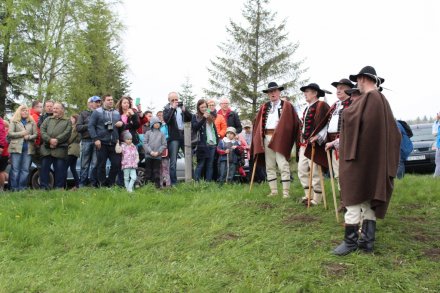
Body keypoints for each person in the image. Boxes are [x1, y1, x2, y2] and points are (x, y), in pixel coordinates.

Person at [333, 66, 401, 256]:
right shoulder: (380, 100)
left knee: (354, 198)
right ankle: (366, 243)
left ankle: (351, 242)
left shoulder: (372, 99)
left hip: (362, 161)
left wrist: (346, 113)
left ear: (363, 79)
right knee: (368, 200)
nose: (357, 85)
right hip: (371, 161)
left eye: (358, 81)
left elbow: (356, 121)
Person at [307, 79, 354, 207]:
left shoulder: (353, 104)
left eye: (342, 88)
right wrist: (319, 136)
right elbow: (327, 126)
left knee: (348, 174)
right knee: (338, 174)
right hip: (333, 144)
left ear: (349, 89)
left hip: (348, 143)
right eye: (337, 88)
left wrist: (336, 141)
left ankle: (351, 201)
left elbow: (352, 128)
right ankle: (344, 202)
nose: (338, 90)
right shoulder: (335, 105)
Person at [251, 82, 300, 198]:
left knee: (283, 164)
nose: (272, 93)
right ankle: (273, 191)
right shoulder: (264, 107)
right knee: (270, 165)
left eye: (274, 91)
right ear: (268, 94)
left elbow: (294, 122)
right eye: (270, 92)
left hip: (280, 138)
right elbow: (257, 123)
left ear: (279, 92)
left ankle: (286, 192)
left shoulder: (286, 106)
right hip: (266, 137)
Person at [297, 83, 330, 204]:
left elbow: (327, 124)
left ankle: (317, 198)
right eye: (304, 92)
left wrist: (318, 136)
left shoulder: (322, 105)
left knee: (315, 171)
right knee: (301, 170)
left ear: (315, 93)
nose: (305, 94)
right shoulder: (306, 108)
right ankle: (308, 195)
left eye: (308, 91)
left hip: (315, 144)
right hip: (304, 144)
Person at [88, 94, 124, 187]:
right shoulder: (97, 112)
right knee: (101, 165)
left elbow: (121, 128)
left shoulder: (116, 113)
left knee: (116, 164)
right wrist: (95, 139)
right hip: (102, 143)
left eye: (112, 100)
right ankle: (102, 185)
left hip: (114, 143)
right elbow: (91, 126)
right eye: (108, 100)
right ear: (104, 101)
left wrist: (122, 124)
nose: (111, 101)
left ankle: (110, 183)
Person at [40, 102, 72, 189]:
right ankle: (43, 188)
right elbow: (42, 130)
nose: (54, 110)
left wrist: (56, 141)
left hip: (60, 150)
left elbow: (67, 133)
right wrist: (49, 140)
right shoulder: (48, 119)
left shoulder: (67, 121)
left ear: (62, 110)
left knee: (60, 170)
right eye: (54, 108)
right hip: (47, 149)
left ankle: (59, 188)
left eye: (57, 108)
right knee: (44, 170)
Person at [163, 92, 192, 186]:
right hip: (173, 137)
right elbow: (167, 120)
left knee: (188, 158)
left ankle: (191, 180)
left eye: (176, 99)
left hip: (184, 135)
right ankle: (174, 183)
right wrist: (172, 109)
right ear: (169, 101)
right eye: (173, 100)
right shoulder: (166, 109)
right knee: (173, 161)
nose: (175, 101)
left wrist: (185, 111)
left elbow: (189, 118)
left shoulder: (181, 108)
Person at [8, 105, 38, 191]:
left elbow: (36, 135)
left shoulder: (32, 122)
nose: (25, 112)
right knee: (15, 169)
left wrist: (29, 137)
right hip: (16, 148)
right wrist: (22, 133)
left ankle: (22, 188)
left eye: (26, 111)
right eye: (23, 110)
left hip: (28, 149)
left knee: (25, 170)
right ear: (19, 112)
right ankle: (14, 188)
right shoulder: (14, 121)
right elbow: (10, 133)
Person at [192, 99, 218, 181]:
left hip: (212, 143)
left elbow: (214, 130)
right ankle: (196, 182)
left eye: (205, 107)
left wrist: (216, 141)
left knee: (210, 165)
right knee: (201, 164)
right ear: (198, 108)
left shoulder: (210, 116)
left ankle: (208, 183)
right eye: (202, 107)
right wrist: (203, 118)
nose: (204, 108)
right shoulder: (195, 116)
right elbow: (195, 128)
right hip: (202, 144)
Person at [77, 96, 100, 187]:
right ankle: (82, 183)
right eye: (95, 102)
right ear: (89, 103)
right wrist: (89, 125)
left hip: (97, 141)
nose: (97, 104)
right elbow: (78, 127)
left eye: (99, 102)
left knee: (95, 164)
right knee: (84, 164)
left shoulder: (101, 114)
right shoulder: (83, 114)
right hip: (86, 140)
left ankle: (93, 184)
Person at [143, 117, 167, 188]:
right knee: (148, 171)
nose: (157, 125)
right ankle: (147, 186)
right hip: (148, 156)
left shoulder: (162, 134)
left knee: (156, 171)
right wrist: (150, 152)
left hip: (157, 156)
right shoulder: (148, 133)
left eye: (158, 123)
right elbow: (144, 143)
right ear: (152, 124)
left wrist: (158, 152)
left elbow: (164, 144)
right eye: (155, 123)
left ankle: (157, 186)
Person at [157, 111, 171, 187]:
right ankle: (161, 185)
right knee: (159, 169)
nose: (160, 116)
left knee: (165, 167)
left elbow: (168, 135)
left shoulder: (166, 126)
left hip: (164, 148)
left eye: (161, 115)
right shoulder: (155, 126)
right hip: (156, 150)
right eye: (158, 115)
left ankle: (168, 185)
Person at [67, 114, 80, 189]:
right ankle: (77, 185)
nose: (70, 120)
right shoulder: (73, 127)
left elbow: (70, 139)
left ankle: (63, 185)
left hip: (72, 150)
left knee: (65, 167)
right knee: (73, 168)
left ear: (75, 119)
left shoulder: (75, 128)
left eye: (72, 118)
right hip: (75, 150)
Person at [0, 120, 9, 191]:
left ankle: (1, 188)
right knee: (2, 171)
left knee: (1, 172)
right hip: (6, 154)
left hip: (3, 154)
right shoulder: (7, 133)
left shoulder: (4, 134)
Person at [433, 112, 440, 177]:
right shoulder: (436, 123)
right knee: (437, 161)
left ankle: (436, 176)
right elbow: (434, 134)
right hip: (438, 146)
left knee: (438, 162)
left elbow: (435, 134)